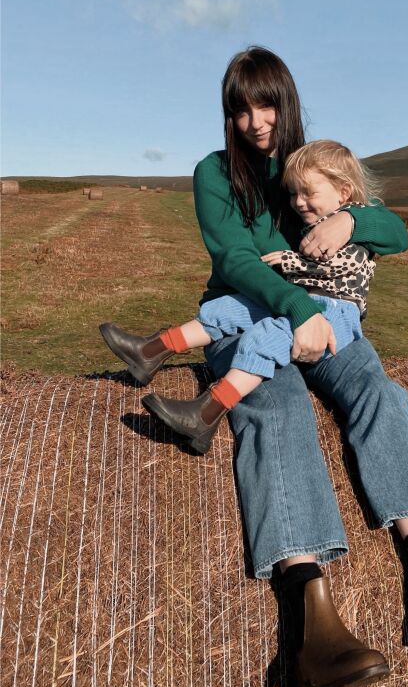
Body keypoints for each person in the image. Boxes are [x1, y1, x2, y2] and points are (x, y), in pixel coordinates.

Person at [99, 46, 408, 687]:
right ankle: (308, 626)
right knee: (280, 412)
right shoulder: (215, 173)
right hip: (249, 323)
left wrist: (352, 218)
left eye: (266, 103)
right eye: (239, 108)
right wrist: (298, 309)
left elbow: (395, 231)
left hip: (326, 323)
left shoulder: (313, 165)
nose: (254, 120)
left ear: (287, 101)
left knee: (379, 393)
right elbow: (237, 259)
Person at [100, 139, 381, 455]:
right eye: (294, 193)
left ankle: (207, 412)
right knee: (228, 308)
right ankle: (152, 350)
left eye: (308, 193)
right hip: (310, 299)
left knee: (265, 337)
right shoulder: (316, 218)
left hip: (338, 309)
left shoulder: (353, 220)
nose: (299, 202)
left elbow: (341, 265)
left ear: (343, 192)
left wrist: (288, 261)